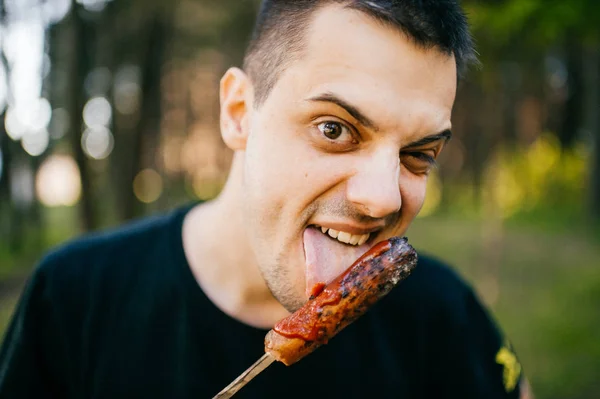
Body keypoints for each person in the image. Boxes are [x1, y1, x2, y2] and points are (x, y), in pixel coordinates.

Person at [0, 1, 532, 398]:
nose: (382, 198)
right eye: (334, 128)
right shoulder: (73, 300)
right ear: (238, 112)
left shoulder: (445, 319)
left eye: (419, 154)